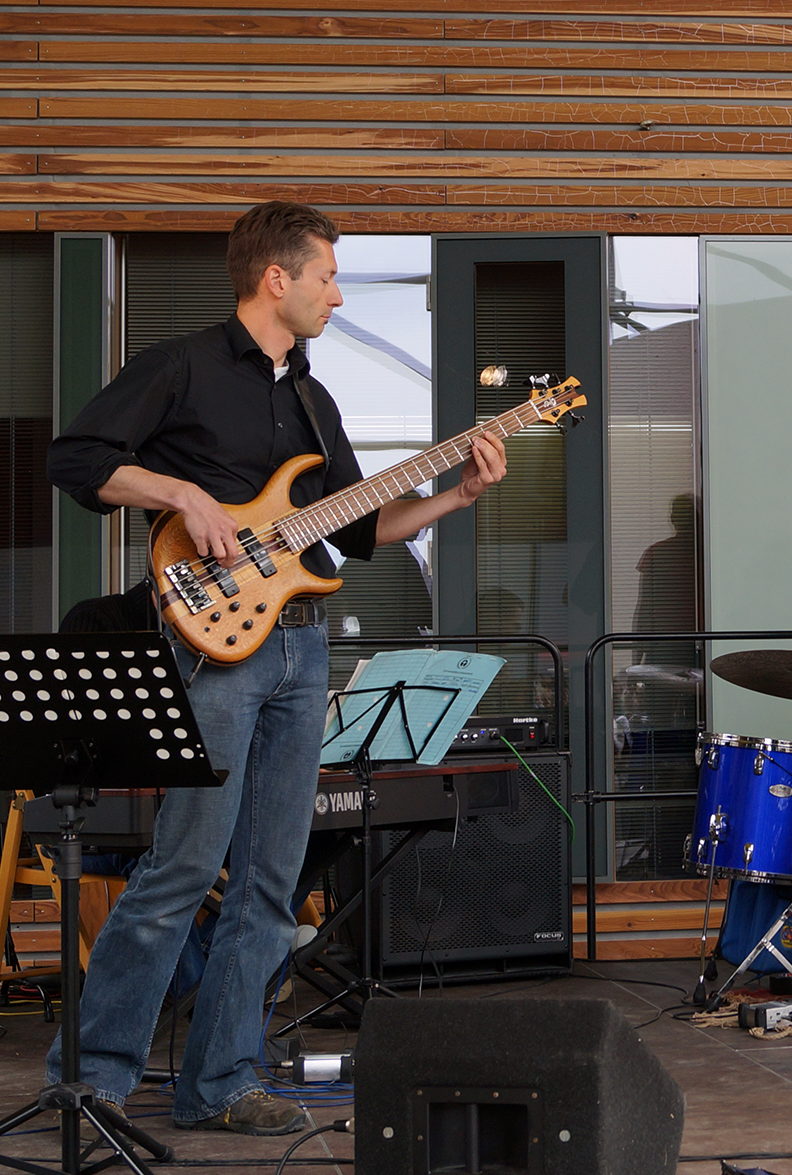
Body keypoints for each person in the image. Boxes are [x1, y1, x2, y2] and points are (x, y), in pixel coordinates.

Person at [45, 201, 508, 1133]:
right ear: (276, 278)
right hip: (214, 647)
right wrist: (181, 492)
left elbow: (362, 527)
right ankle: (91, 1077)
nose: (336, 296)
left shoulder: (313, 399)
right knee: (183, 865)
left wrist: (456, 495)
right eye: (327, 277)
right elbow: (77, 457)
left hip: (302, 645)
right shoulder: (179, 367)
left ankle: (221, 1081)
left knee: (271, 879)